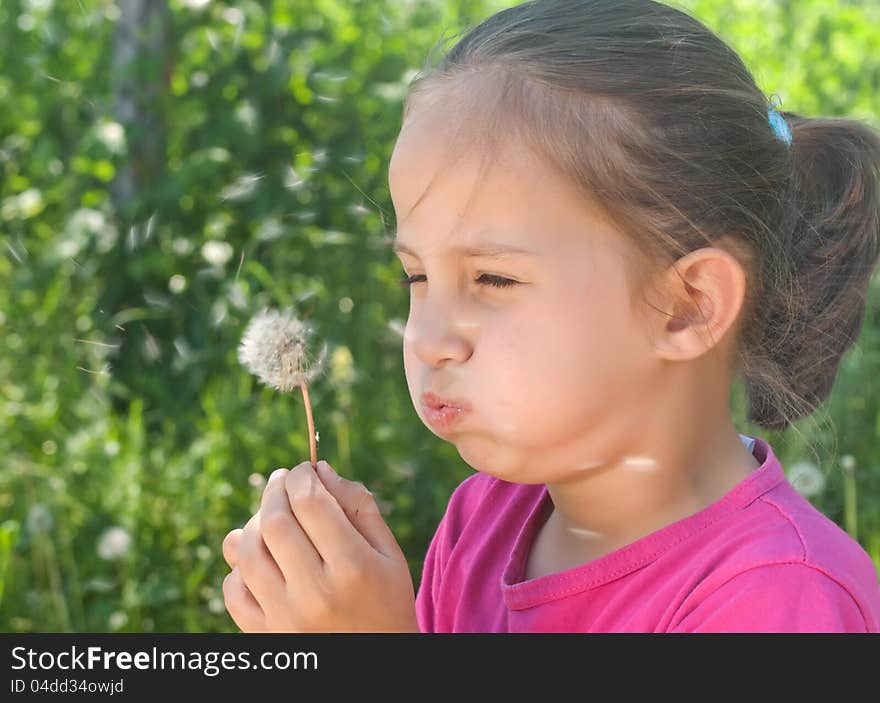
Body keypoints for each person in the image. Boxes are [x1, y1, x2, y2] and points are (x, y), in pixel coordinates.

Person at [221, 0, 880, 632]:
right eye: (418, 276)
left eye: (493, 278)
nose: (430, 339)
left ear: (687, 306)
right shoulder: (483, 520)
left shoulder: (778, 596)